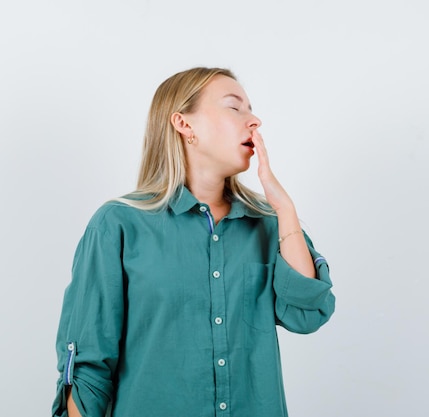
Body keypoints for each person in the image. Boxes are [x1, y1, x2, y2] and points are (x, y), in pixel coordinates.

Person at [52, 67, 336, 417]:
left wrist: (284, 207)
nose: (255, 120)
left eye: (251, 108)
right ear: (184, 125)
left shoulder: (268, 225)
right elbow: (87, 366)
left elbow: (307, 315)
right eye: (235, 108)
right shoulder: (118, 225)